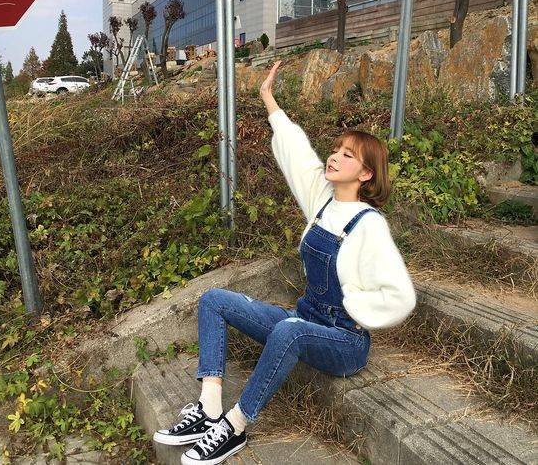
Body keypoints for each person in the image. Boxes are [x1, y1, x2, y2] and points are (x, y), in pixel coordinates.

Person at [154, 60, 417, 465]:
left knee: (289, 329)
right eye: (335, 149)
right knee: (214, 300)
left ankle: (235, 426)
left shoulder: (369, 225)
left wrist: (354, 307)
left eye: (346, 155)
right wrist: (268, 98)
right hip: (304, 320)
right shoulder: (322, 201)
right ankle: (209, 409)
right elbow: (297, 151)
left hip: (344, 342)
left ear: (366, 174)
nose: (333, 157)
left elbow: (401, 296)